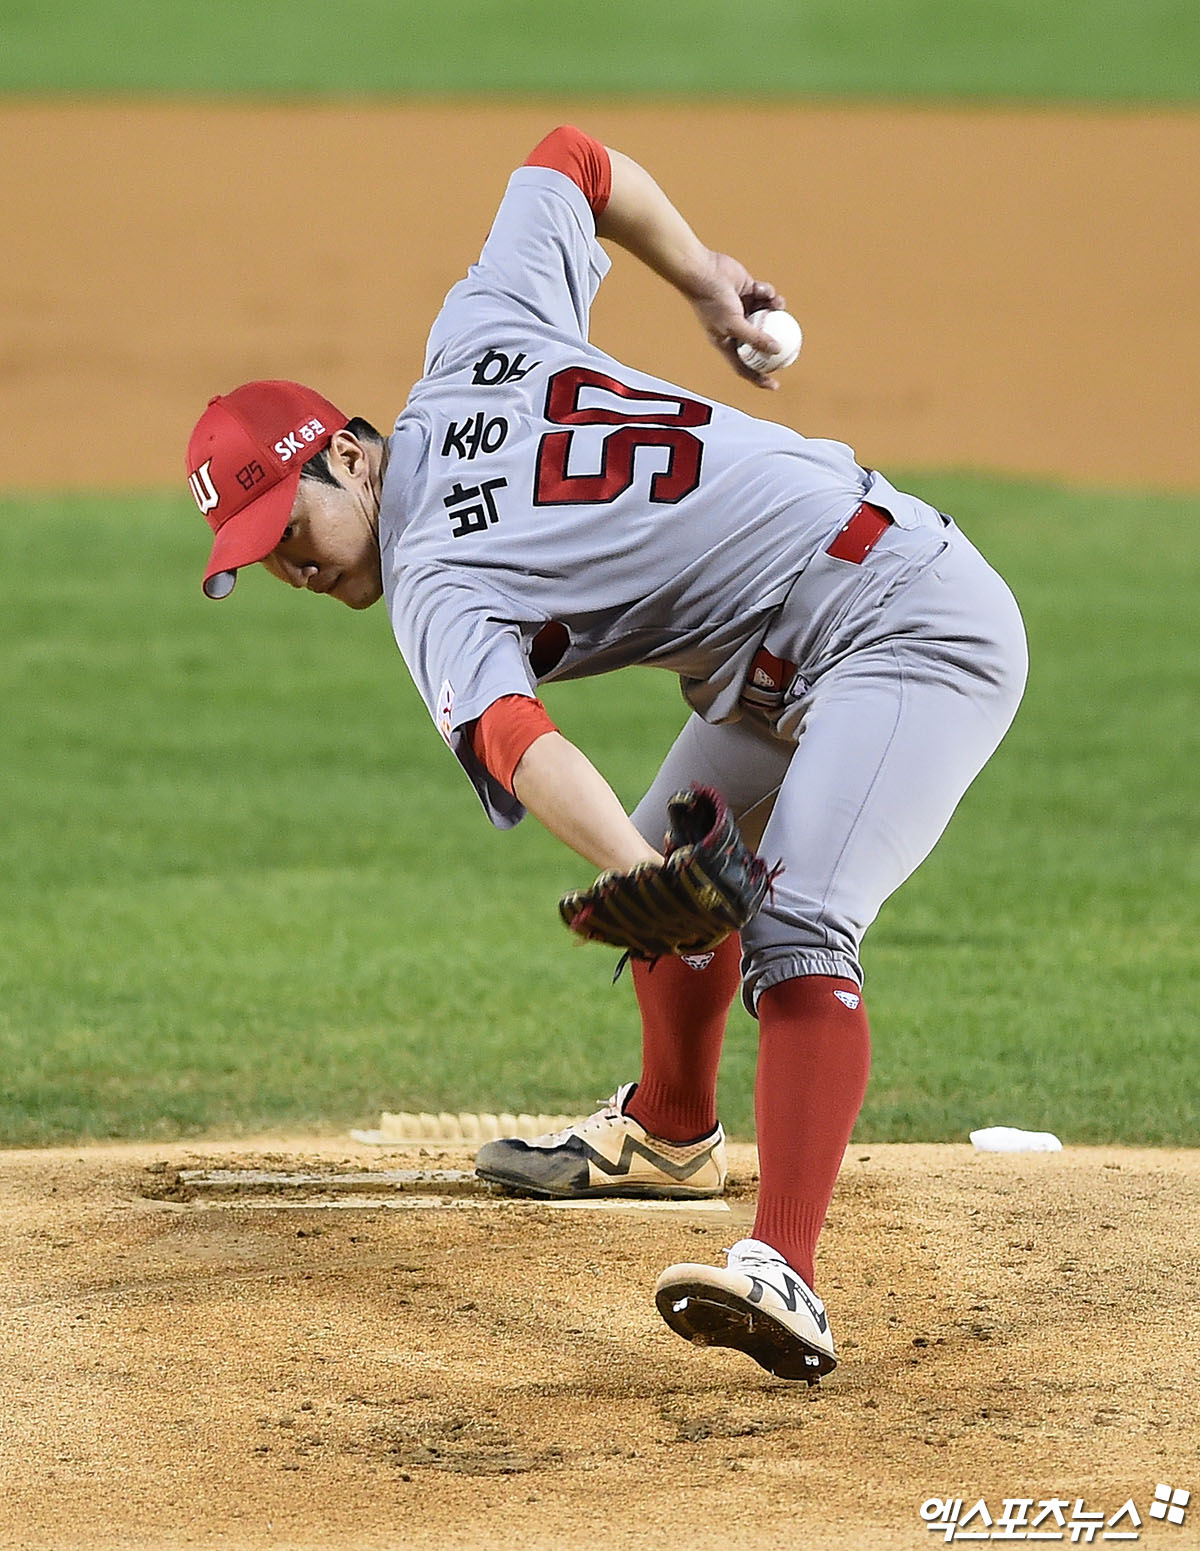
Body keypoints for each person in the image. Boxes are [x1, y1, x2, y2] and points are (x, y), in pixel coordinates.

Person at [186, 125, 1027, 1384]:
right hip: (781, 644)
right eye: (262, 557)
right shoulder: (476, 337)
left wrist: (646, 877)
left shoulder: (431, 579)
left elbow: (515, 739)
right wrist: (698, 273)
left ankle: (785, 1268)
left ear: (349, 455)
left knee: (793, 924)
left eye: (288, 522)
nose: (293, 566)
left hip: (906, 619)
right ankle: (673, 1132)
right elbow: (572, 160)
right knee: (676, 849)